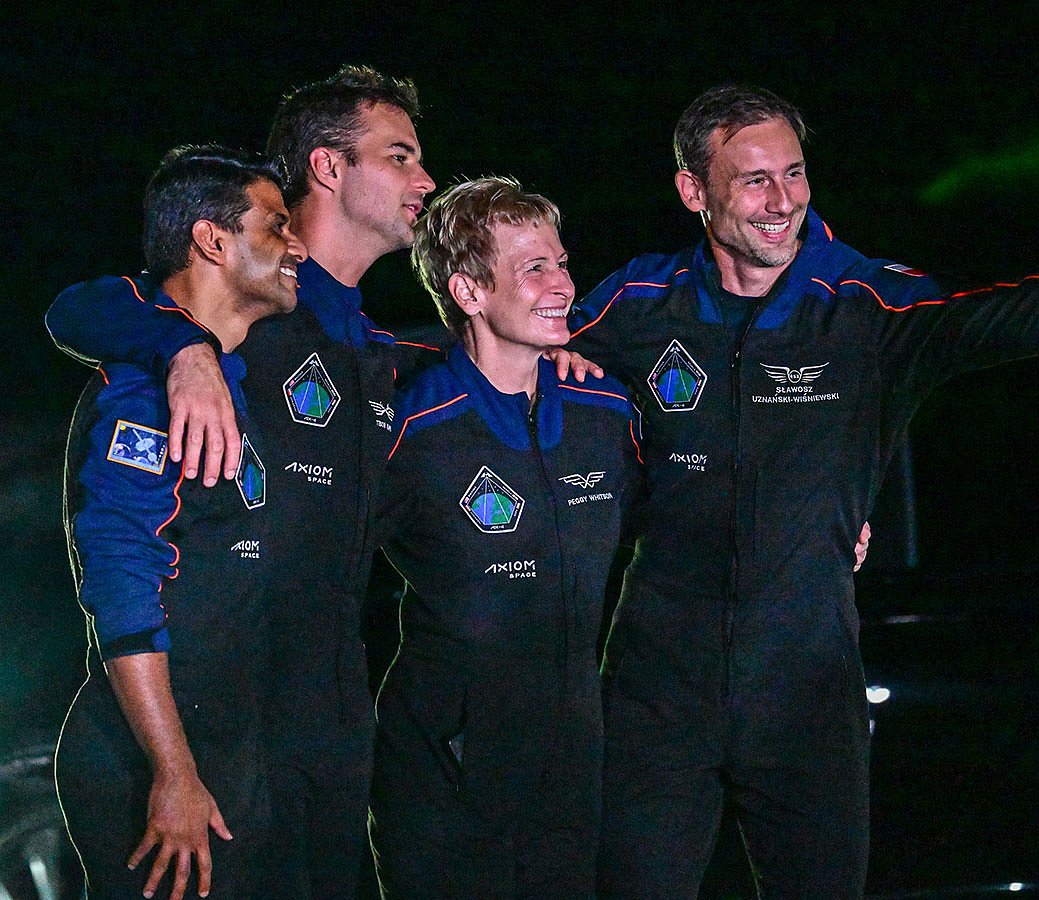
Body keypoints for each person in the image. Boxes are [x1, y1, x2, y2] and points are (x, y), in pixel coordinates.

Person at [565, 84, 1039, 898]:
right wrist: (550, 365)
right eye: (754, 180)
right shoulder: (638, 302)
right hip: (656, 691)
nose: (781, 200)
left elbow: (994, 319)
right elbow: (503, 356)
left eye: (794, 173)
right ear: (693, 191)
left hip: (806, 694)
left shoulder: (865, 306)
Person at [45, 64, 598, 898]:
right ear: (331, 169)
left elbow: (480, 368)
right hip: (197, 741)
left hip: (313, 747)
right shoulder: (223, 315)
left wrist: (544, 347)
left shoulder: (376, 352)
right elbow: (78, 308)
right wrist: (181, 348)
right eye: (402, 156)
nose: (425, 180)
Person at [367, 176, 641, 897]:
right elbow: (315, 565)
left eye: (560, 262)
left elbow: (684, 519)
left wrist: (844, 524)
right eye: (534, 269)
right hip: (445, 768)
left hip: (570, 763)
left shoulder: (605, 411)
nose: (562, 287)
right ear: (469, 293)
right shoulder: (413, 427)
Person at [55, 145, 306, 900]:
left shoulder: (223, 376)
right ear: (213, 241)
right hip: (157, 771)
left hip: (222, 752)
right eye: (276, 225)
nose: (295, 245)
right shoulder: (146, 393)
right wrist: (174, 774)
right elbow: (121, 578)